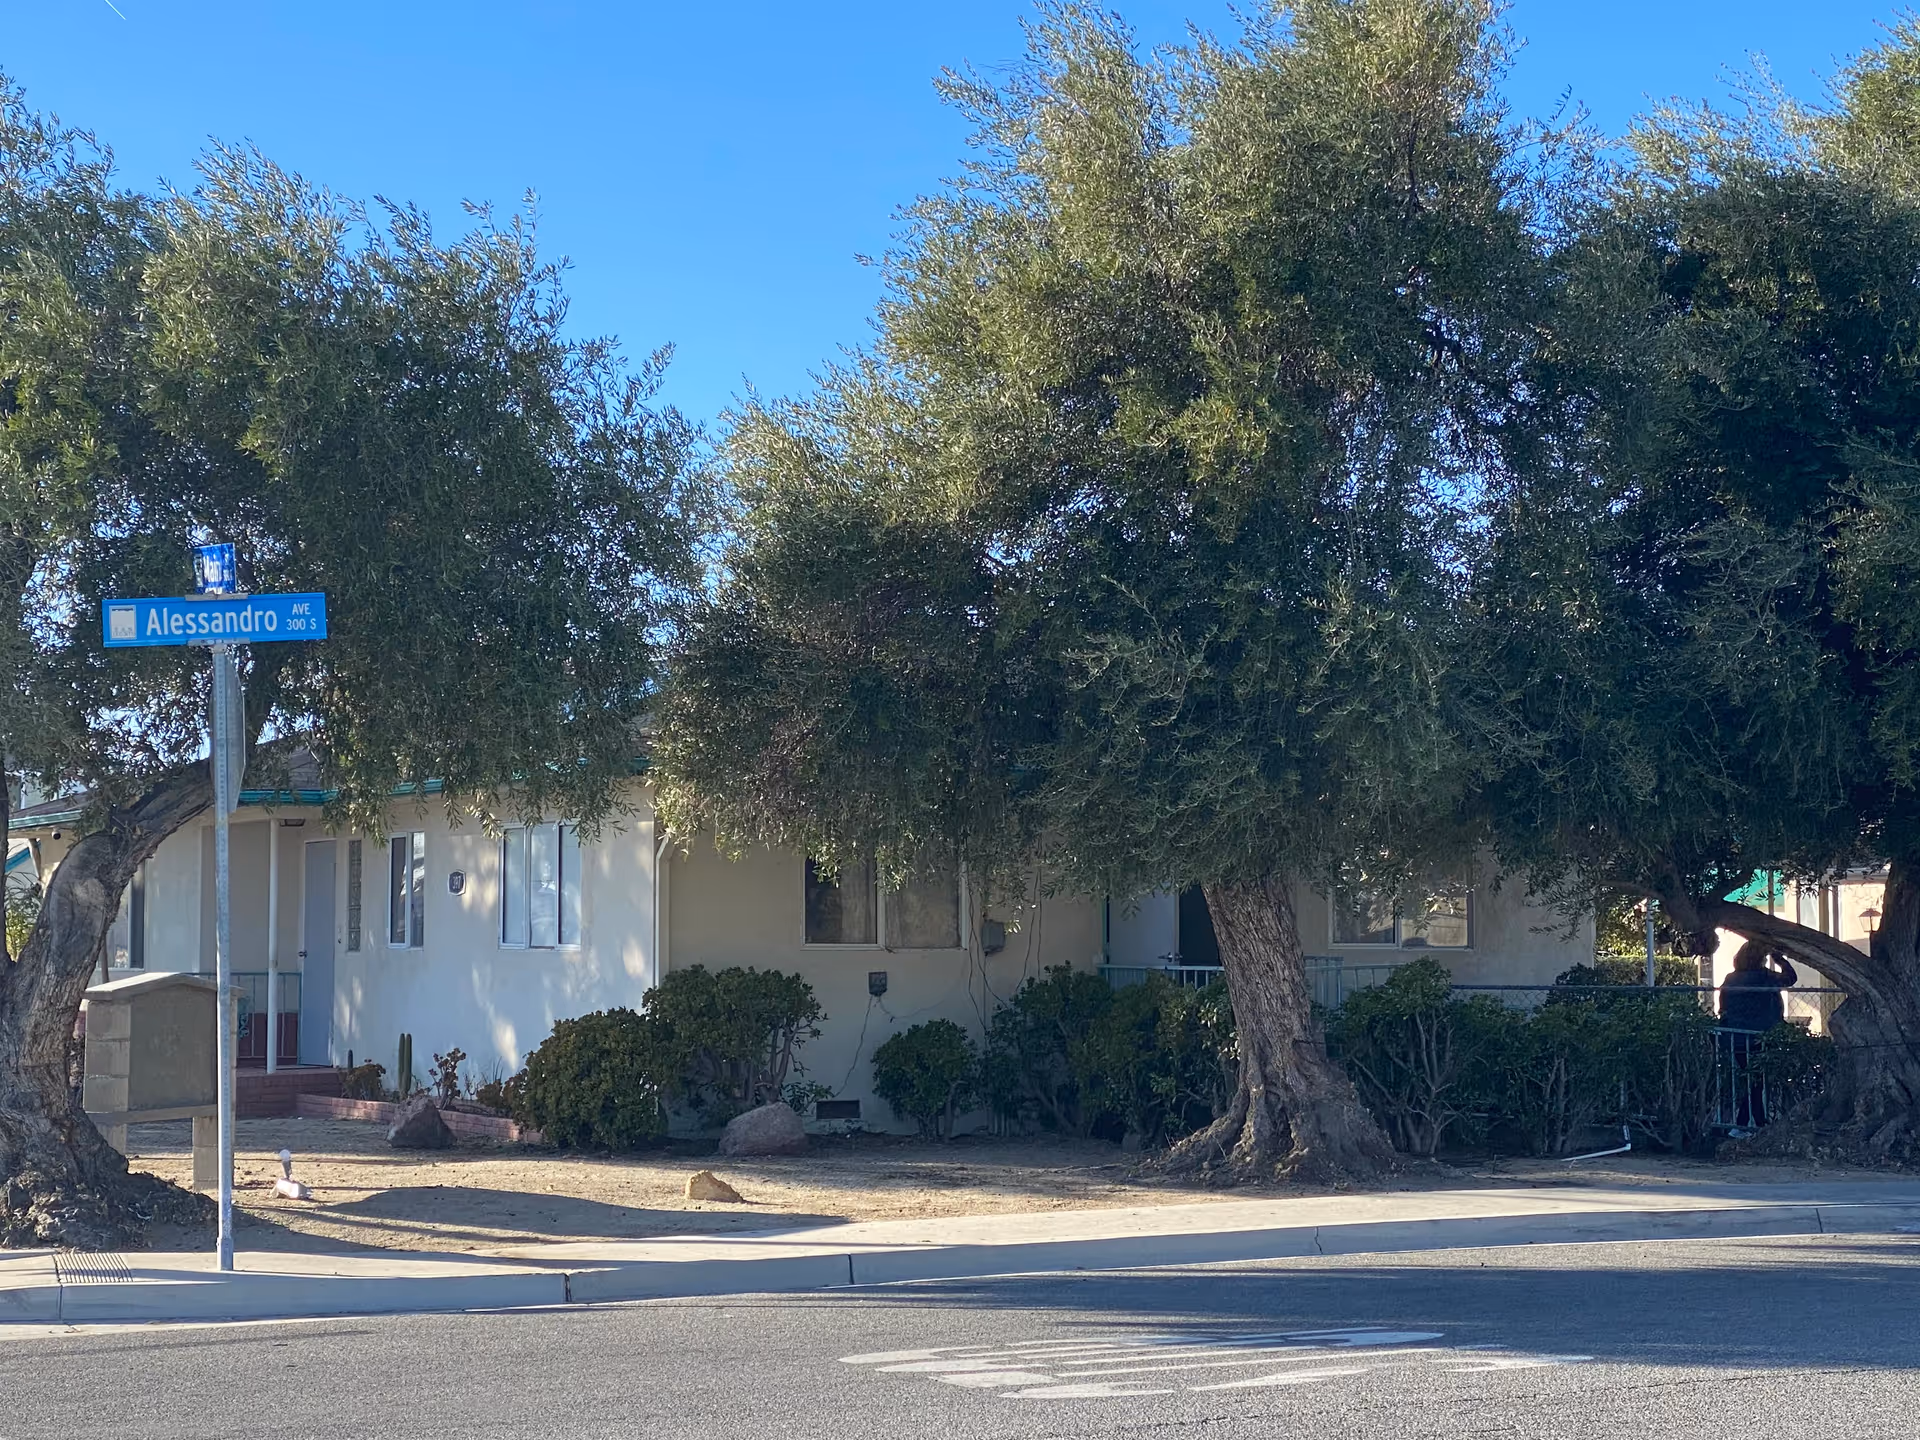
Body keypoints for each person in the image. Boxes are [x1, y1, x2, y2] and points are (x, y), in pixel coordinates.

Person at [1718, 941, 1798, 1131]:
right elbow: (1790, 978)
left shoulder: (1731, 979)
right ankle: (1749, 1123)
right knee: (1756, 1081)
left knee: (1752, 1080)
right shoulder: (1765, 977)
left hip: (1736, 1036)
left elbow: (1724, 1006)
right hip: (1762, 1035)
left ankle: (1750, 1122)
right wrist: (1779, 960)